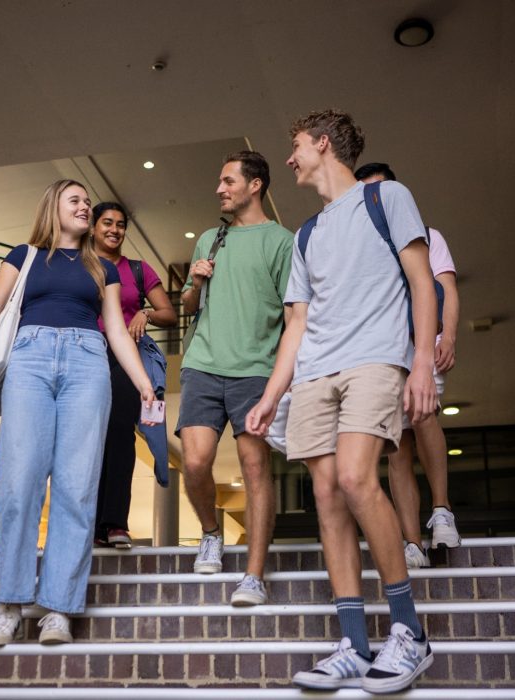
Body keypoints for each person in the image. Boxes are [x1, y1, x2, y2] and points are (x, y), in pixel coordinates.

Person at [246, 110, 436, 692]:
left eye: (296, 146)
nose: (290, 159)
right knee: (326, 496)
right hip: (313, 376)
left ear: (323, 145)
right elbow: (297, 324)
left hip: (375, 360)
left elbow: (422, 280)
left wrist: (422, 359)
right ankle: (353, 644)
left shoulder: (387, 199)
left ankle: (409, 633)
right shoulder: (307, 232)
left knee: (356, 479)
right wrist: (272, 394)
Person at [0, 179, 155, 646]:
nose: (86, 207)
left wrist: (143, 381)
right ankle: (10, 604)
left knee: (76, 486)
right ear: (54, 206)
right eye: (77, 200)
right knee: (18, 481)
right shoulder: (24, 255)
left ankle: (58, 609)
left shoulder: (101, 268)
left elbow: (114, 328)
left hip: (88, 364)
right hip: (30, 359)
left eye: (87, 202)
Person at [177, 150, 294, 606]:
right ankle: (211, 532)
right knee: (194, 462)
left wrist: (282, 379)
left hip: (256, 371)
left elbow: (293, 316)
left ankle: (254, 574)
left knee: (255, 468)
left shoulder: (281, 242)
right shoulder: (210, 238)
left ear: (255, 185)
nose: (219, 189)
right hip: (203, 364)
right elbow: (187, 305)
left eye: (228, 181)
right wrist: (195, 280)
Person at [355, 162, 461, 568]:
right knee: (396, 448)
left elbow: (446, 289)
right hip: (383, 350)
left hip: (423, 344)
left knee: (424, 415)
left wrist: (446, 337)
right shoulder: (363, 245)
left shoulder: (426, 235)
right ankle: (412, 542)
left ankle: (441, 510)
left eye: (379, 191)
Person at [92, 201, 177, 549]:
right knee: (87, 437)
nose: (114, 230)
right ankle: (90, 523)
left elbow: (168, 312)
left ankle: (114, 524)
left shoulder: (138, 270)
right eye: (107, 223)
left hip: (128, 357)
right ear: (93, 227)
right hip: (88, 354)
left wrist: (145, 313)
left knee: (119, 432)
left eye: (121, 224)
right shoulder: (80, 265)